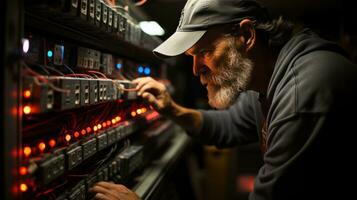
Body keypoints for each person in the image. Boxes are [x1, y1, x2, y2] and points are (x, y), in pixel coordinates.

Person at [90, 0, 357, 199]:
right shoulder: (266, 79)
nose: (195, 70)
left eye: (204, 51)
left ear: (246, 36)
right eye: (191, 56)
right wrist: (172, 110)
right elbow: (230, 125)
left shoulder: (303, 93)